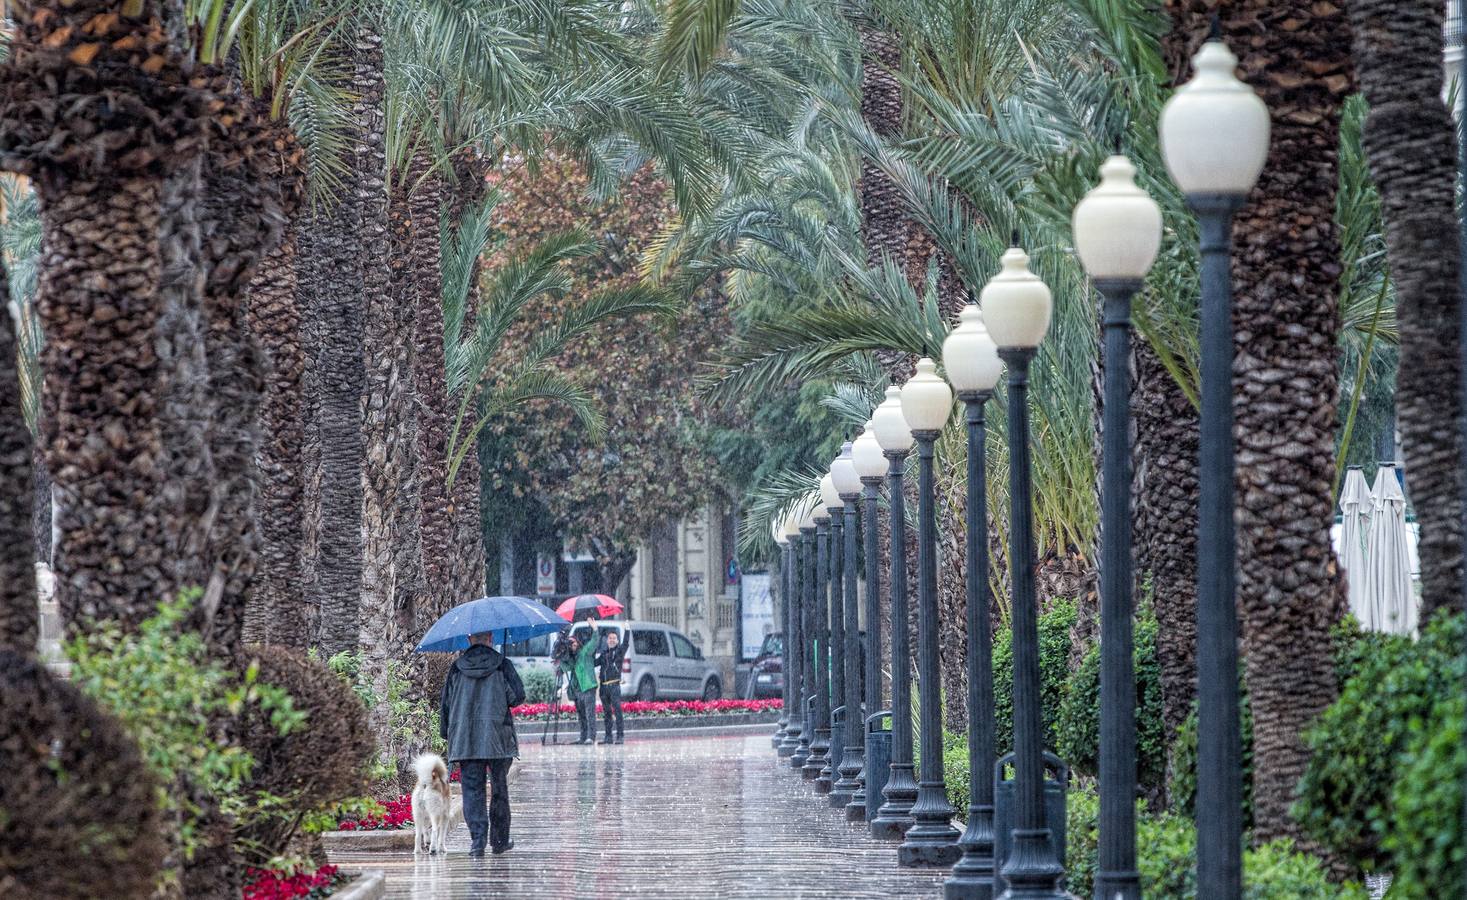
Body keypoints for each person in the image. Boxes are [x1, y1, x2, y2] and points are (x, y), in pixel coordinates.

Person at [439, 631, 525, 856]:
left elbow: (446, 705)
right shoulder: (501, 664)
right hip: (497, 737)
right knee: (499, 789)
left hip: (466, 739)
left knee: (472, 790)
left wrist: (448, 734)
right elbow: (518, 697)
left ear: (469, 640)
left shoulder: (457, 668)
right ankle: (499, 841)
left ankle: (477, 842)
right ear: (490, 638)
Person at [595, 630, 626, 745]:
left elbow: (626, 643)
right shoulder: (604, 654)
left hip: (614, 686)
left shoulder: (619, 652)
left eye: (614, 638)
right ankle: (608, 737)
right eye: (610, 638)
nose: (612, 640)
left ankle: (620, 736)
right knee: (607, 713)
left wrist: (627, 629)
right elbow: (594, 663)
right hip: (604, 687)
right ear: (607, 641)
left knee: (617, 711)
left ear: (617, 641)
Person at [570, 623, 599, 745]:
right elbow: (566, 666)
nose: (573, 645)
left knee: (589, 714)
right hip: (577, 689)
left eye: (574, 642)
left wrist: (595, 629)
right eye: (571, 643)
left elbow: (594, 641)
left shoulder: (585, 652)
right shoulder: (572, 657)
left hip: (588, 687)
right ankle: (583, 736)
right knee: (581, 715)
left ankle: (591, 736)